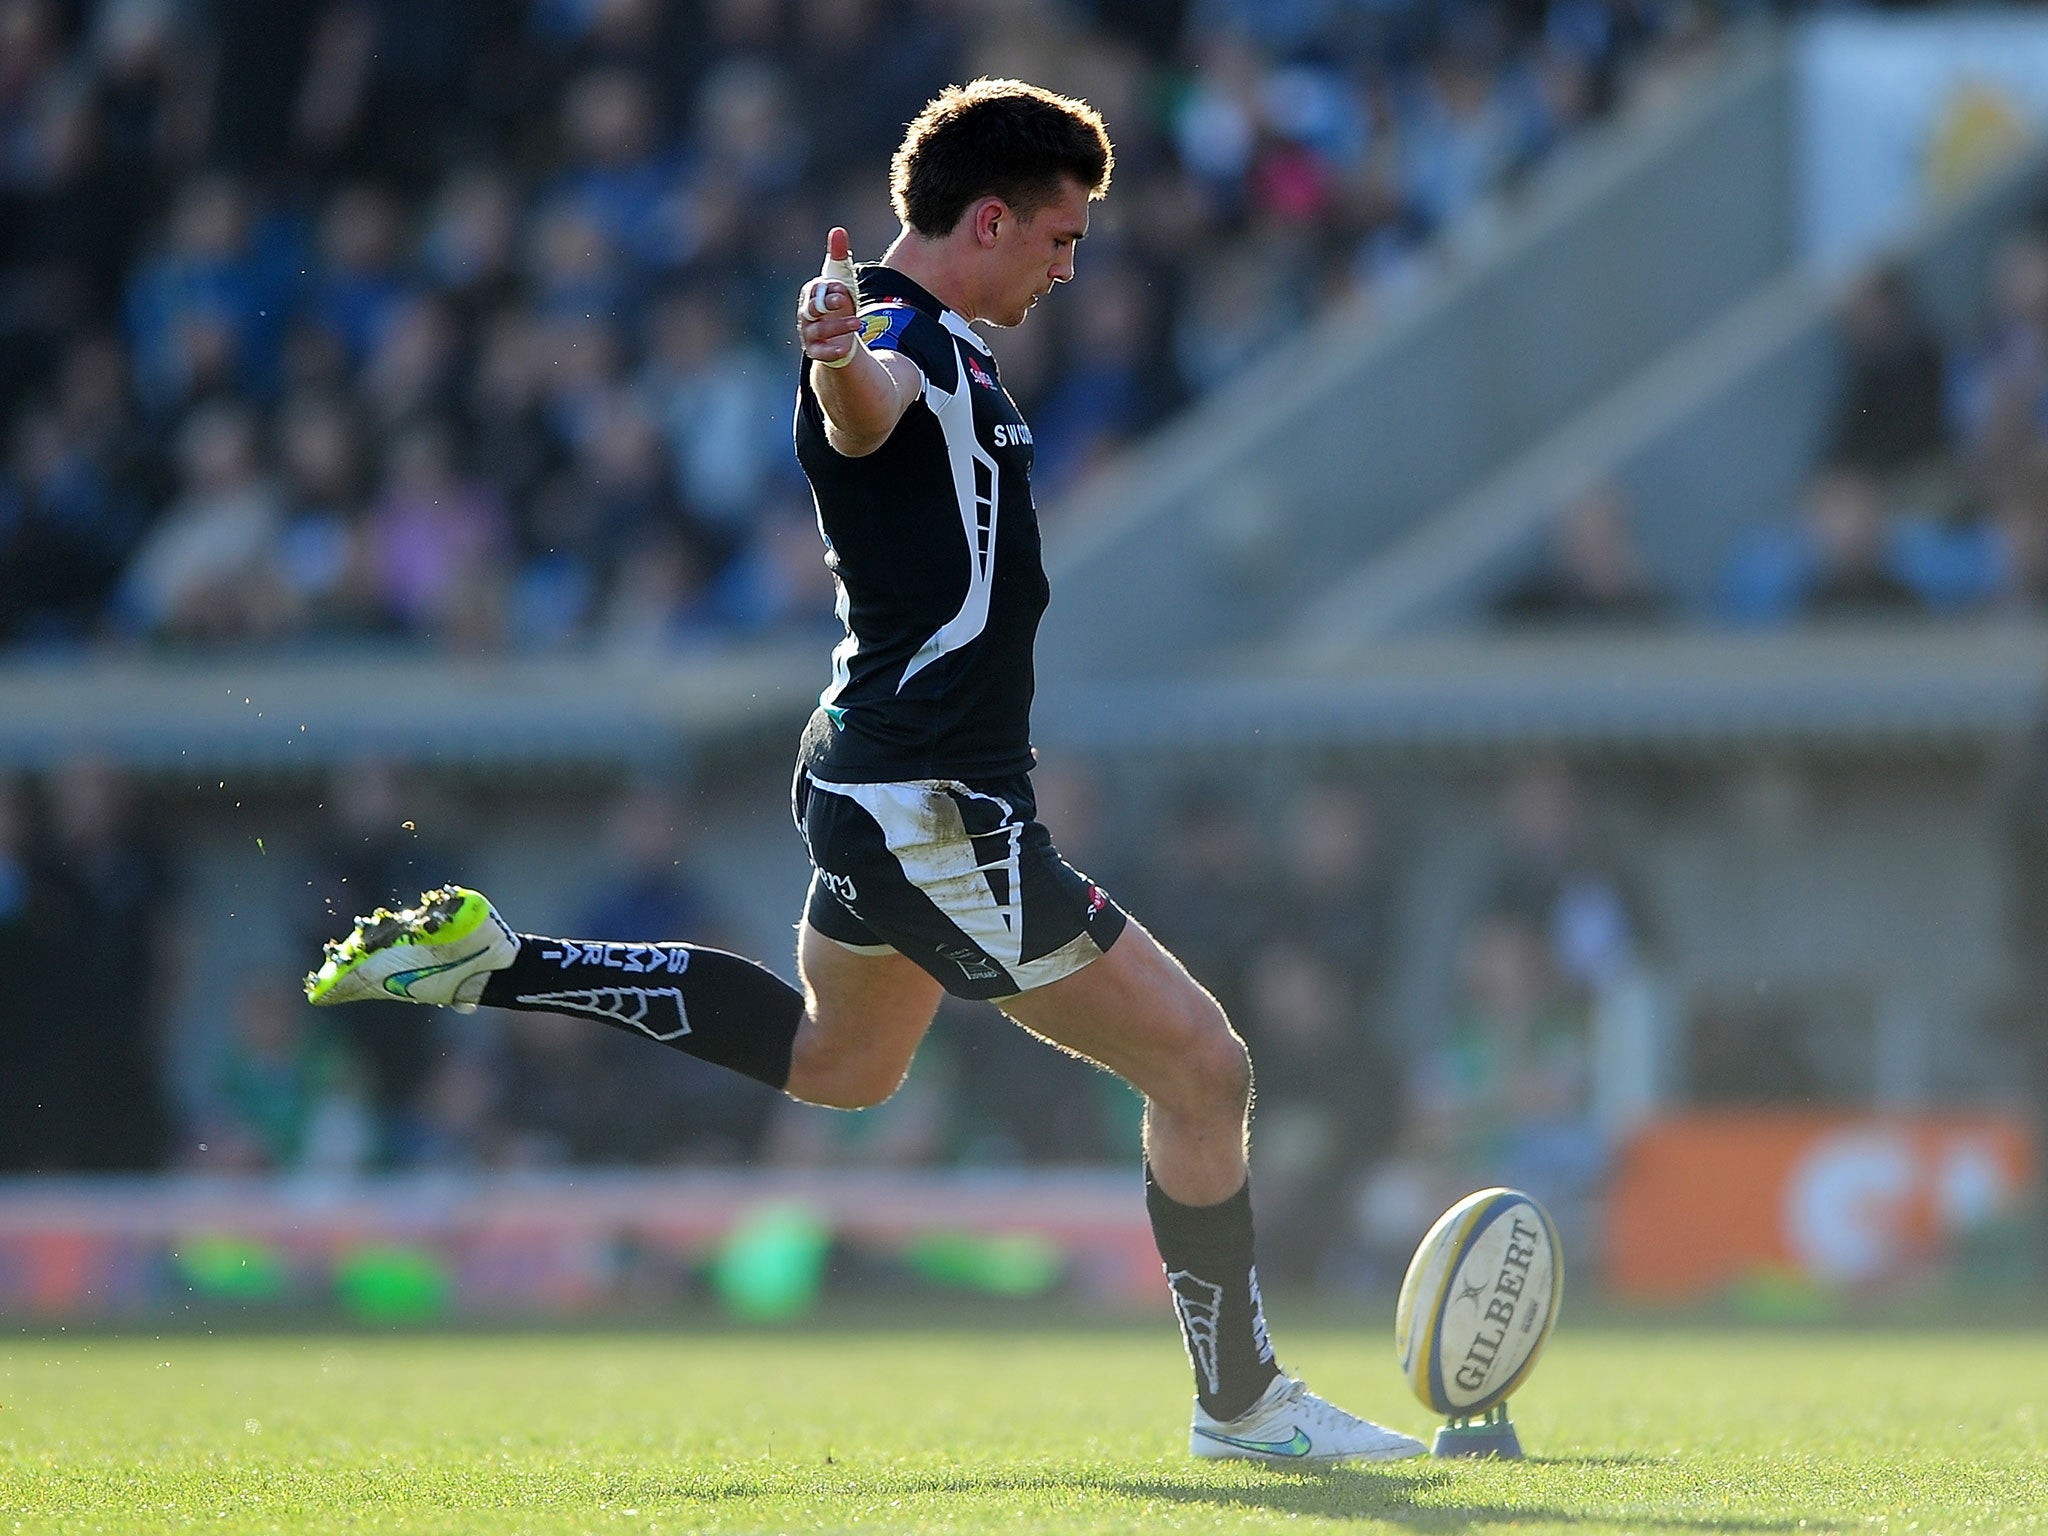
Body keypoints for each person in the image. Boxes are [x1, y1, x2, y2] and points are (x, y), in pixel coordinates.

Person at [305, 78, 1423, 1467]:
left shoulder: (948, 341)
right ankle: (1244, 1408)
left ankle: (496, 965)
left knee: (842, 1066)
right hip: (930, 803)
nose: (1073, 267)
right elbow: (860, 402)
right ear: (992, 218)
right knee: (1204, 1066)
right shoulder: (894, 333)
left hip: (879, 779)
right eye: (1062, 239)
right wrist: (835, 355)